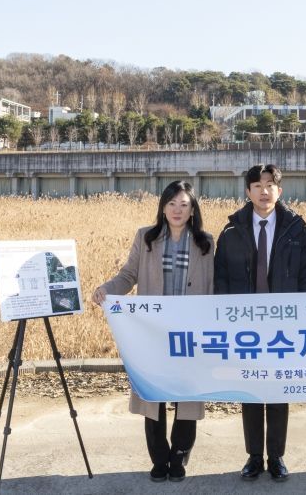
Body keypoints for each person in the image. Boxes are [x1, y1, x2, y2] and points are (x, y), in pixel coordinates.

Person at [92, 180, 214, 483]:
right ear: (162, 207)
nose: (177, 210)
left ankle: (179, 457)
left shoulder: (206, 242)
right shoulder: (146, 237)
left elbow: (214, 287)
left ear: (193, 209)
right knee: (153, 397)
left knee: (187, 397)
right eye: (171, 203)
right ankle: (159, 459)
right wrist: (107, 289)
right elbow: (128, 275)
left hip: (189, 335)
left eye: (184, 204)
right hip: (153, 333)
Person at [214, 164, 306, 482]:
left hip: (282, 326)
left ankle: (277, 456)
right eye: (257, 185)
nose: (264, 191)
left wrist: (301, 318)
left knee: (278, 390)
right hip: (245, 326)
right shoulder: (231, 231)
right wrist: (227, 320)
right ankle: (254, 456)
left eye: (270, 185)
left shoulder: (296, 229)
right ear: (248, 191)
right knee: (251, 390)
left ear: (279, 191)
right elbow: (221, 279)